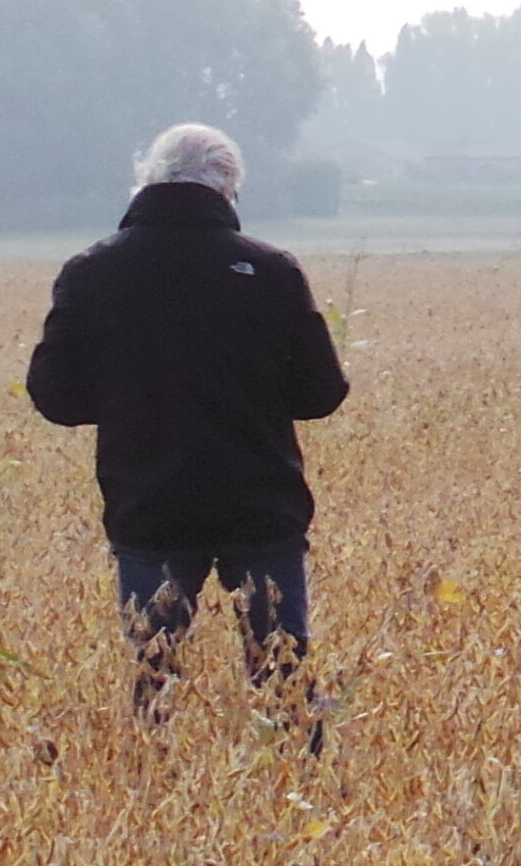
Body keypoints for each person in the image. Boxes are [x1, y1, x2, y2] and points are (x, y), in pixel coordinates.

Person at [24, 123, 351, 721]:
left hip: (149, 504)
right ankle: (297, 785)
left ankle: (154, 793)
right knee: (282, 675)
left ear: (147, 179)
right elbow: (322, 393)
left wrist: (131, 399)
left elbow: (55, 398)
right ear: (230, 188)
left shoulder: (91, 272)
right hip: (258, 504)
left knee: (156, 676)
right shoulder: (272, 271)